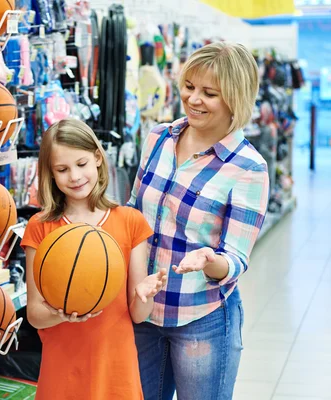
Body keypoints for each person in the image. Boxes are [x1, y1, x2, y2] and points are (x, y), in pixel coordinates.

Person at [128, 41, 270, 400]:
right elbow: (134, 212)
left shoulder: (248, 167)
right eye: (189, 87)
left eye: (209, 93)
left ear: (234, 99)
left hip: (201, 317)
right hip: (142, 311)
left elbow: (236, 259)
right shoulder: (159, 138)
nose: (193, 99)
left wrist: (211, 261)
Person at [21, 118, 168, 400]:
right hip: (62, 369)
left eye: (81, 164)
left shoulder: (129, 222)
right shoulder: (40, 227)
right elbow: (35, 315)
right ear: (50, 174)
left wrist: (146, 294)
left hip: (115, 369)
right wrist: (59, 314)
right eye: (62, 169)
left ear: (98, 159)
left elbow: (138, 314)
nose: (75, 177)